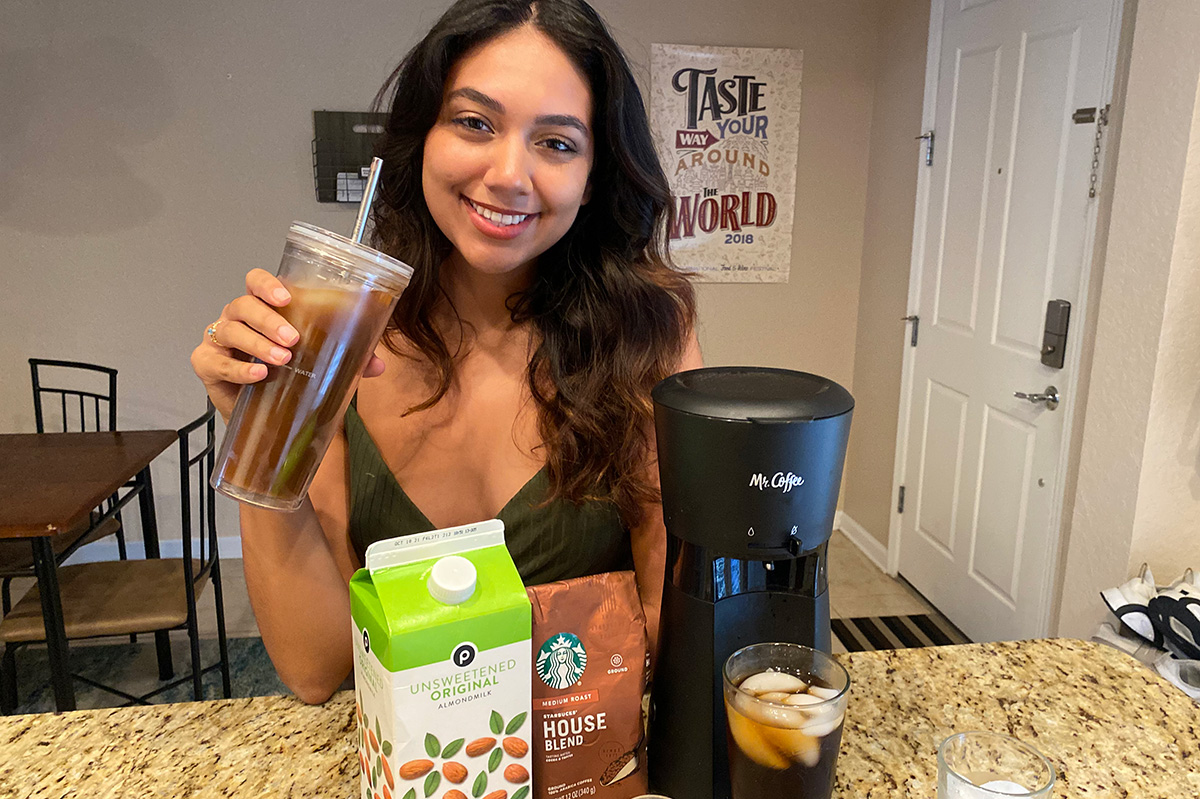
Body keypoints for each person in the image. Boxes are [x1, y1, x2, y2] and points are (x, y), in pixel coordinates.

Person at [191, 0, 700, 704]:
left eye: (556, 143)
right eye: (474, 122)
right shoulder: (342, 332)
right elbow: (314, 667)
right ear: (422, 137)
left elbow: (669, 620)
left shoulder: (648, 330)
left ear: (594, 179)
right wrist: (262, 428)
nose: (508, 174)